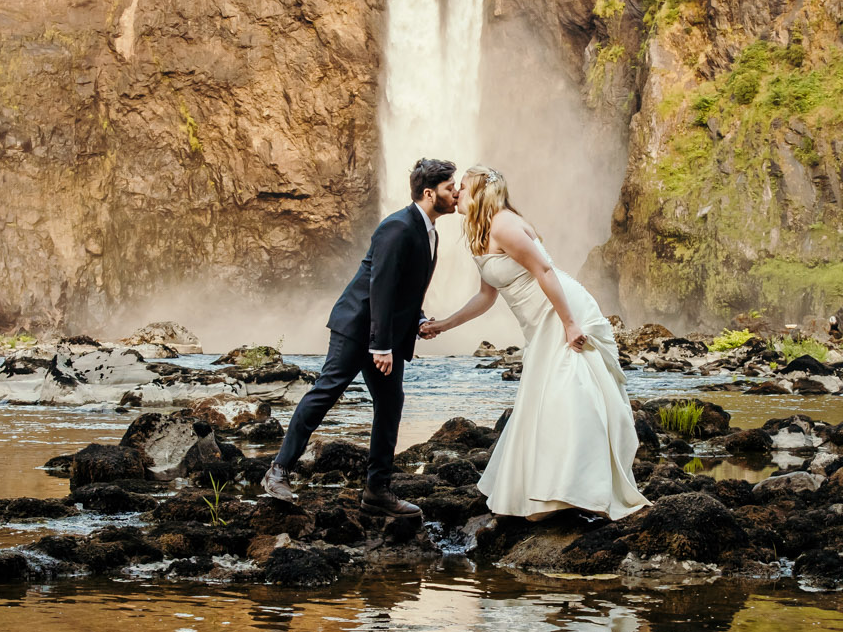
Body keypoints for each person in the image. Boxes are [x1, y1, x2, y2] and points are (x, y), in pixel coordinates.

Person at [422, 166, 648, 521]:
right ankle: (547, 494)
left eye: (462, 188)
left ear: (480, 193)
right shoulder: (481, 232)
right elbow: (486, 295)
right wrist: (445, 325)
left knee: (570, 395)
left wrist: (570, 323)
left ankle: (579, 490)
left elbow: (545, 271)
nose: (456, 194)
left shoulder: (503, 224)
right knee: (546, 398)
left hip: (560, 313)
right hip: (538, 323)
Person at [263, 158, 458, 514]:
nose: (457, 193)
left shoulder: (428, 230)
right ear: (430, 193)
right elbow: (380, 287)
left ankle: (377, 491)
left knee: (390, 404)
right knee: (326, 391)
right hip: (358, 328)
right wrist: (380, 344)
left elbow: (405, 289)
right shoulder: (397, 227)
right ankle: (278, 470)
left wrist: (417, 319)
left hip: (387, 334)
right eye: (450, 188)